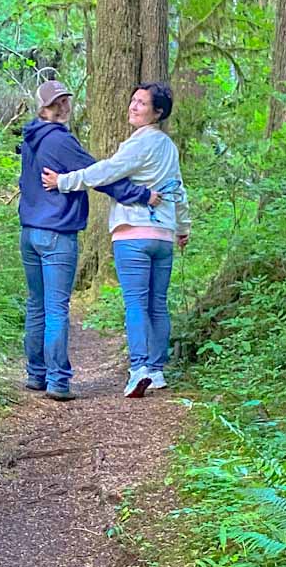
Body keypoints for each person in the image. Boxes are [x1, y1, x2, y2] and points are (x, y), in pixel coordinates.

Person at [43, 82, 189, 399]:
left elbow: (106, 172)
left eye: (142, 103)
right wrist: (182, 227)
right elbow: (178, 190)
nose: (133, 107)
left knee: (137, 303)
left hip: (132, 233)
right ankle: (157, 368)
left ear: (157, 112)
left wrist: (64, 181)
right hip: (163, 235)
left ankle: (139, 369)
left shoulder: (141, 144)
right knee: (157, 304)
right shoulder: (169, 147)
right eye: (133, 101)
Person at [18, 79, 159, 401]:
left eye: (64, 100)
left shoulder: (31, 138)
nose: (63, 107)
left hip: (30, 232)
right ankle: (57, 381)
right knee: (54, 308)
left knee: (37, 305)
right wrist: (141, 195)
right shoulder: (59, 142)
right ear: (47, 108)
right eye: (58, 103)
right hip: (57, 233)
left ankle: (36, 374)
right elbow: (99, 175)